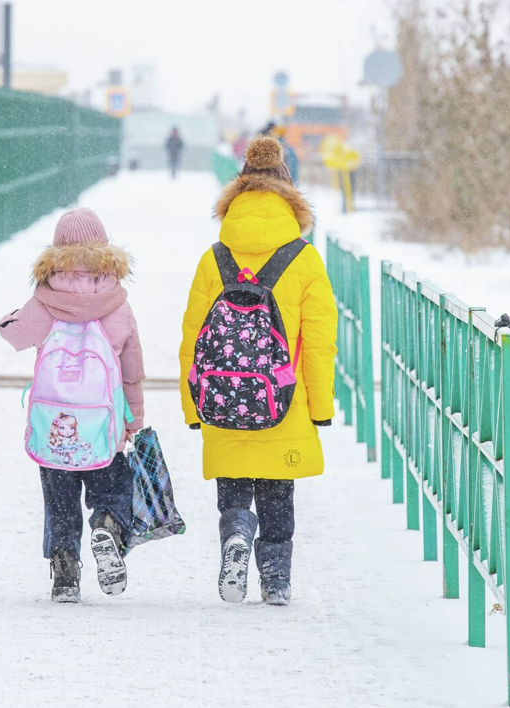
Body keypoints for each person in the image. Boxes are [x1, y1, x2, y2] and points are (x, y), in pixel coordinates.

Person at [178, 136, 336, 606]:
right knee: (277, 494)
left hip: (221, 399)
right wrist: (321, 408)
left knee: (235, 485)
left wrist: (193, 407)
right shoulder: (304, 259)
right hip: (281, 402)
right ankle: (276, 579)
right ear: (291, 200)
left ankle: (236, 531)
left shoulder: (213, 258)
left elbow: (192, 338)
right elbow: (320, 344)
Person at [0, 207, 145, 603]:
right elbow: (131, 370)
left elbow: (10, 334)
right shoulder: (118, 302)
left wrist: (16, 314)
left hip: (54, 426)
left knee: (60, 502)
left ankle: (65, 571)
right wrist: (134, 419)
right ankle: (107, 526)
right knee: (112, 489)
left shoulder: (45, 302)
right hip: (104, 425)